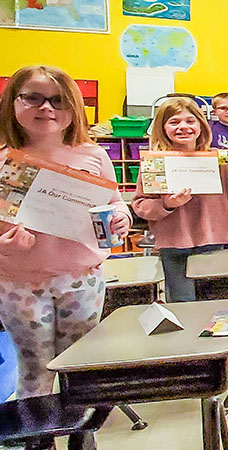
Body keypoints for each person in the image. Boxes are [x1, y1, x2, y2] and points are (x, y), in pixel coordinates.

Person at [0, 65, 131, 398]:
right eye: (33, 98)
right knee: (34, 370)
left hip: (81, 278)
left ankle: (82, 439)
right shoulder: (3, 158)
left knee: (80, 366)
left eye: (59, 101)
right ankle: (39, 442)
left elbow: (115, 201)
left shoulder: (93, 155)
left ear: (74, 108)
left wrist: (121, 217)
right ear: (13, 103)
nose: (47, 108)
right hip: (18, 282)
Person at [132, 98, 228, 302]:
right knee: (183, 303)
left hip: (213, 242)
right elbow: (141, 204)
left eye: (190, 121)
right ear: (162, 128)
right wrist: (167, 205)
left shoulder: (218, 158)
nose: (183, 127)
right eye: (174, 122)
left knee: (213, 303)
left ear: (201, 125)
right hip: (174, 245)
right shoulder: (156, 162)